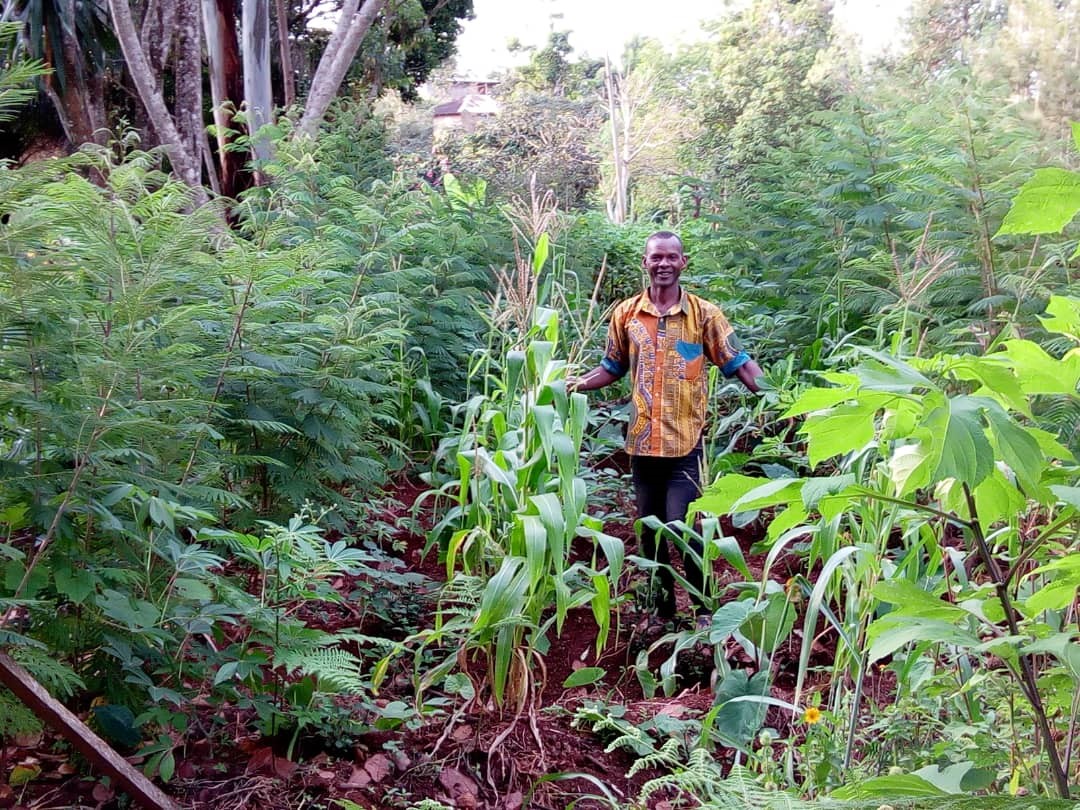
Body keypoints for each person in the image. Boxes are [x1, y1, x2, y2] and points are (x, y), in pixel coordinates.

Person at [568, 231, 763, 627]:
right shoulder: (625, 314)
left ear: (683, 262)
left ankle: (706, 612)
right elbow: (611, 367)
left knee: (682, 530)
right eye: (656, 257)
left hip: (685, 445)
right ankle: (661, 614)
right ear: (645, 262)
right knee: (649, 535)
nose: (663, 264)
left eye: (671, 257)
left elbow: (739, 362)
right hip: (642, 445)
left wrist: (777, 395)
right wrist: (573, 384)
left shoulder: (704, 315)